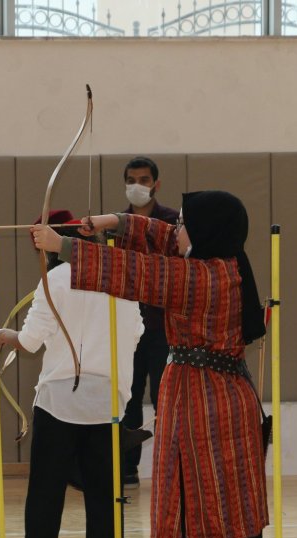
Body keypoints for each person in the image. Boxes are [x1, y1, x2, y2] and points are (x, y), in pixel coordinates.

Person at [33, 192, 268, 538]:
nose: (174, 230)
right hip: (235, 399)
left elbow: (132, 271)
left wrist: (62, 245)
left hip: (195, 400)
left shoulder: (195, 278)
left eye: (183, 224)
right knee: (236, 505)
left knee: (184, 502)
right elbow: (163, 237)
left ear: (204, 233)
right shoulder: (230, 265)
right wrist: (111, 222)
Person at [0, 211, 143, 538]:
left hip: (59, 401)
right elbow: (136, 333)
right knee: (105, 496)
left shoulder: (55, 279)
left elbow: (30, 340)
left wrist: (7, 335)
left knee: (45, 494)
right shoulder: (120, 278)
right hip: (107, 402)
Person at [120, 157, 179, 488]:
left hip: (163, 327)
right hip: (128, 327)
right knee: (127, 398)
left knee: (163, 398)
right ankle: (127, 468)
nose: (137, 185)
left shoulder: (172, 221)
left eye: (144, 180)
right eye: (131, 180)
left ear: (156, 184)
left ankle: (168, 465)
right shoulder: (117, 224)